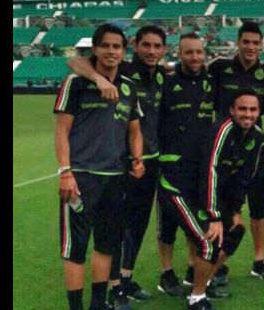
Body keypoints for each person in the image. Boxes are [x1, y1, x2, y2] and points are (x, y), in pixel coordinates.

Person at [67, 25, 167, 305]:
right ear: (134, 46)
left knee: (138, 224)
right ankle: (112, 287)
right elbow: (75, 61)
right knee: (115, 228)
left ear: (163, 50)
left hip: (148, 163)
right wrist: (99, 79)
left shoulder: (160, 74)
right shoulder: (122, 69)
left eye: (157, 46)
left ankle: (125, 278)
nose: (151, 51)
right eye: (145, 45)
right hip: (117, 165)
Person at [54, 24, 146, 310]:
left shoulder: (129, 87)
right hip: (81, 178)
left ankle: (98, 304)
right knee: (75, 249)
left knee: (107, 245)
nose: (111, 51)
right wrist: (66, 172)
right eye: (105, 46)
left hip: (115, 178)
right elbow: (61, 131)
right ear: (95, 49)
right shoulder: (76, 82)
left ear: (123, 51)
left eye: (116, 46)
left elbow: (134, 131)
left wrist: (137, 159)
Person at [158, 88, 264, 310]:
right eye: (242, 109)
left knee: (235, 232)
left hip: (201, 193)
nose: (248, 114)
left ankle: (200, 284)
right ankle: (196, 298)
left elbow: (244, 177)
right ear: (231, 111)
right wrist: (215, 216)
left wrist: (235, 210)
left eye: (253, 109)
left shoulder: (257, 136)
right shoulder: (222, 129)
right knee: (209, 242)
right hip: (178, 187)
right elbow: (210, 170)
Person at [207, 22, 264, 282]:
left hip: (254, 148)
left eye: (255, 43)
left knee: (259, 206)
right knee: (223, 206)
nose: (250, 47)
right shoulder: (218, 67)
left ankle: (259, 260)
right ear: (237, 42)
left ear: (261, 45)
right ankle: (216, 259)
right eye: (245, 41)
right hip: (224, 147)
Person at [157, 33, 221, 298]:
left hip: (199, 168)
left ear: (204, 53)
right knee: (167, 225)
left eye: (198, 52)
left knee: (194, 223)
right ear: (179, 54)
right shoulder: (165, 82)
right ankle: (166, 273)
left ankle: (193, 271)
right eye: (188, 52)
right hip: (170, 166)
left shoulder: (211, 83)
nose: (194, 57)